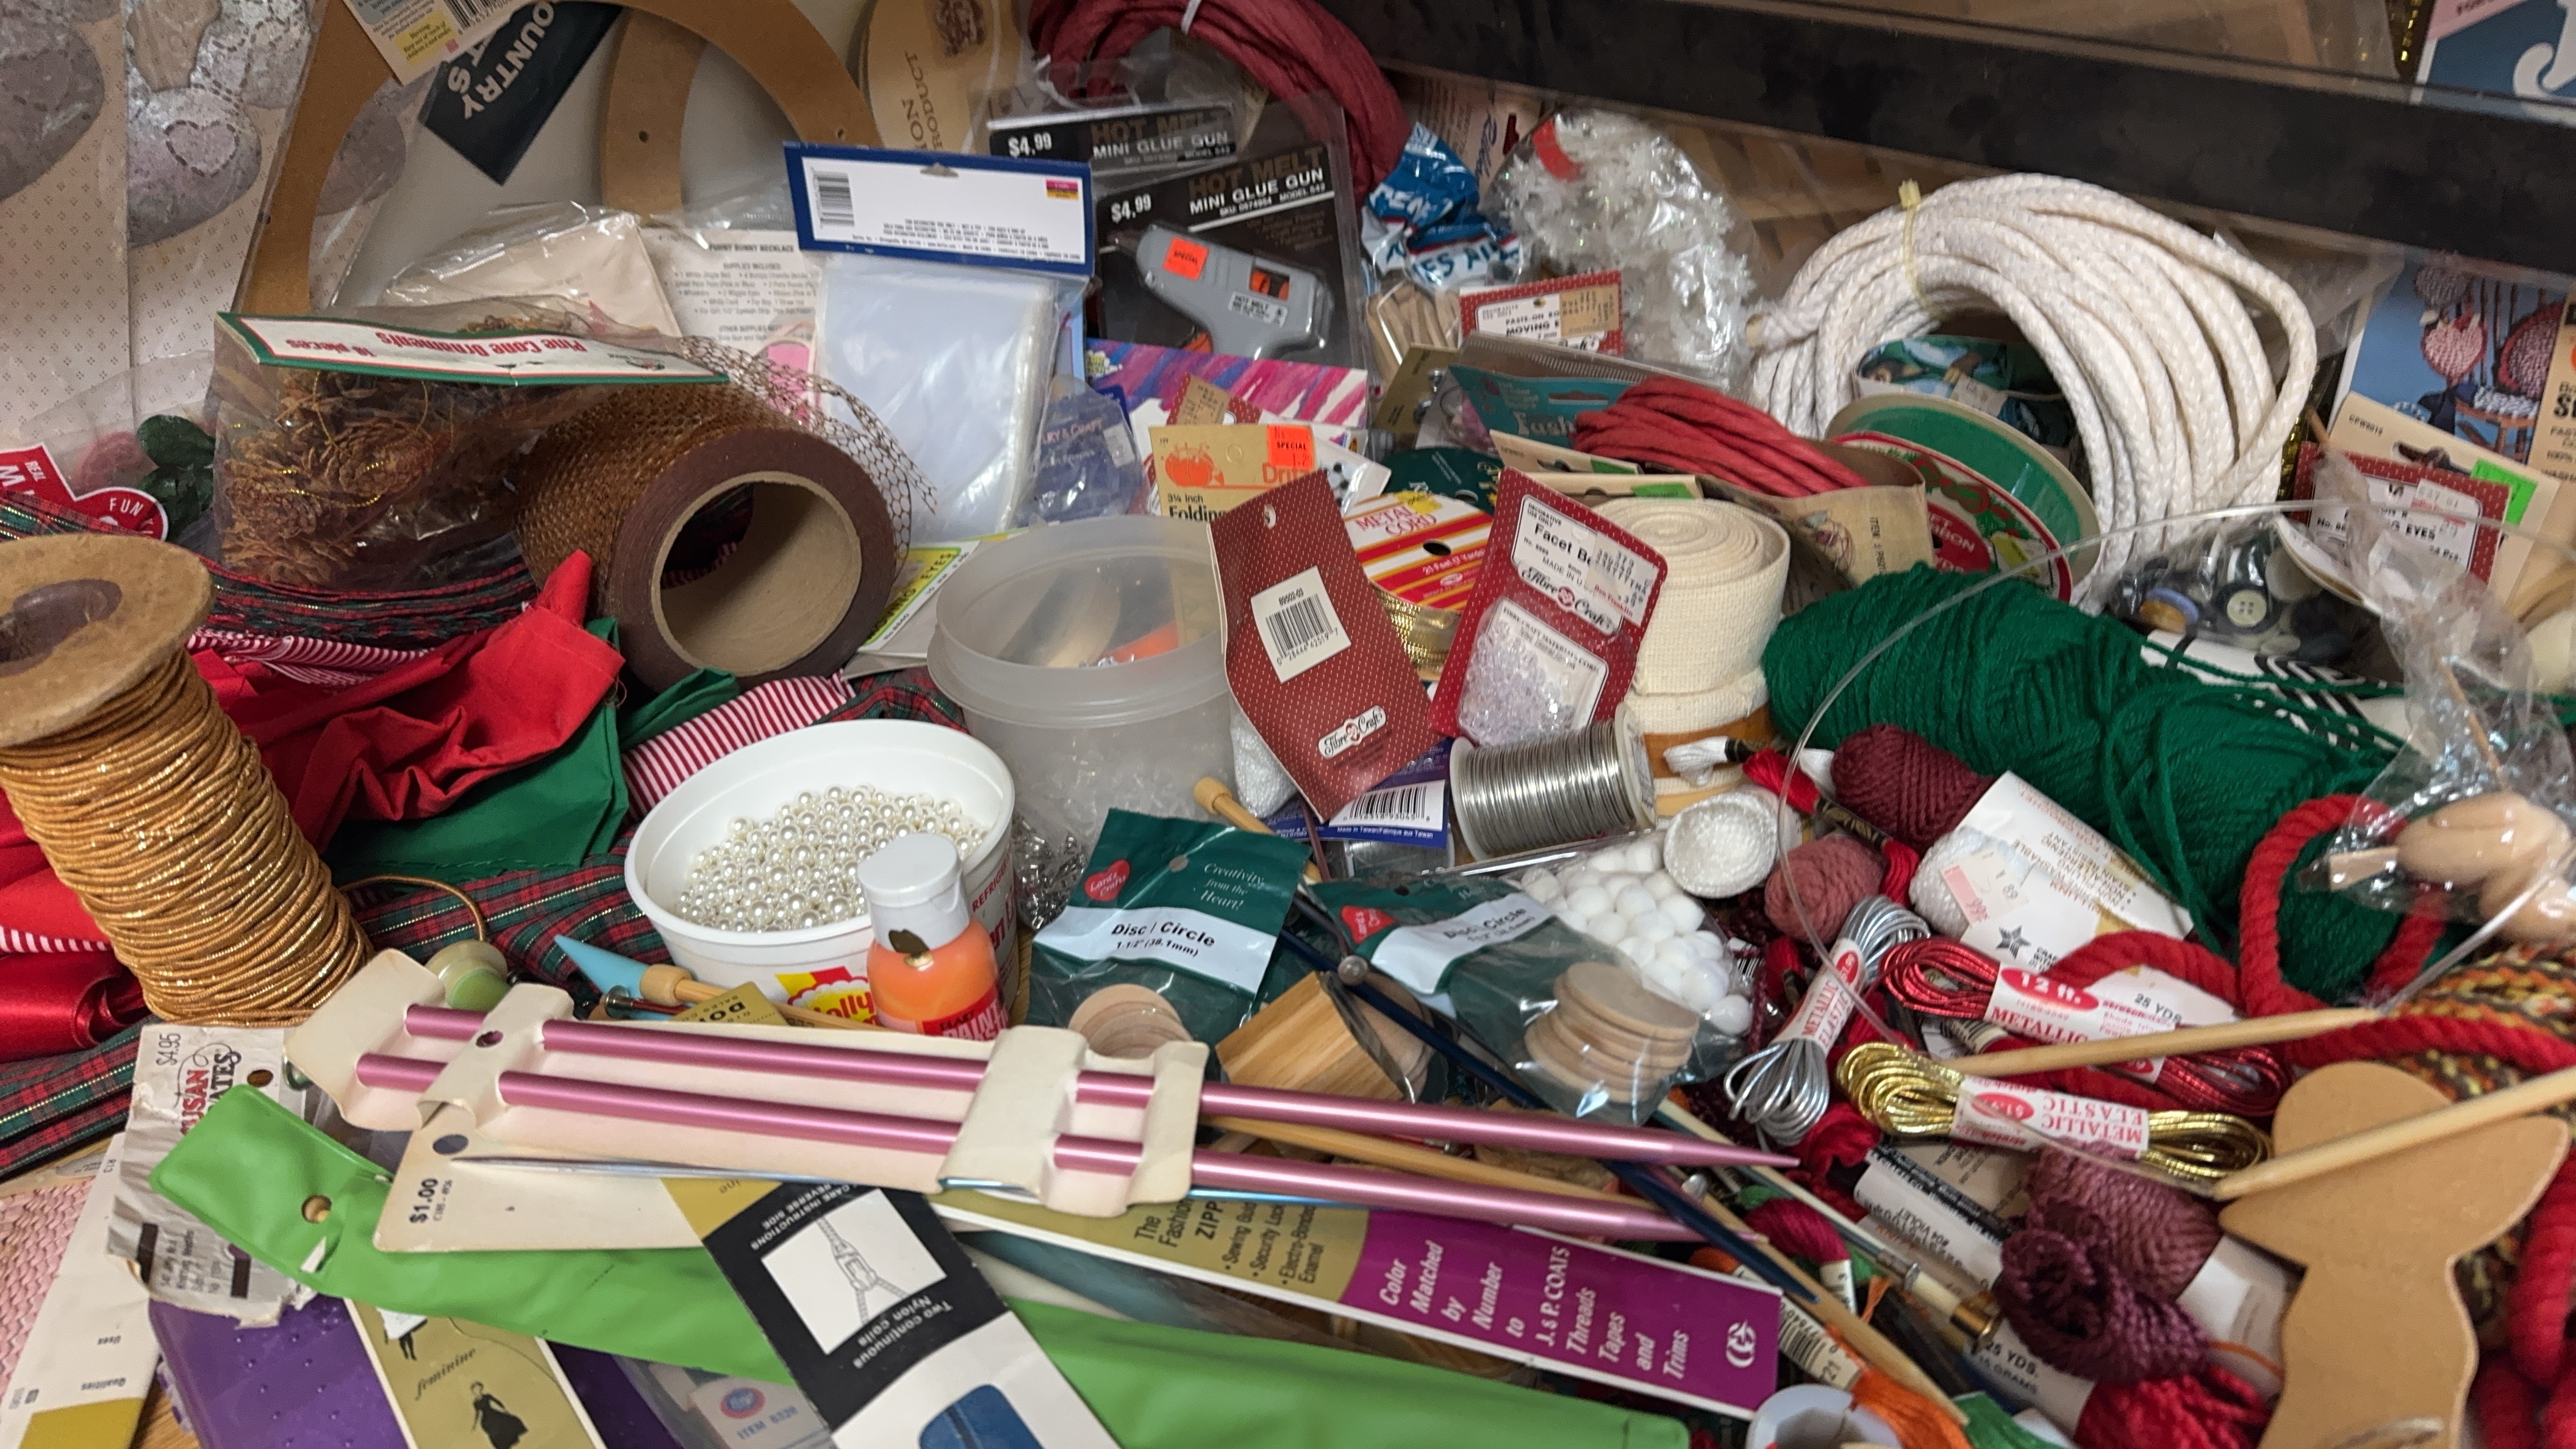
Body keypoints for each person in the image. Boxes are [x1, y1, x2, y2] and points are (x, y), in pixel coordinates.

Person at [470, 1381, 528, 1449]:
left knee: (504, 1424)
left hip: (494, 1414)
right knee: (494, 1433)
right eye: (475, 1390)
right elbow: (478, 1414)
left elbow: (496, 1403)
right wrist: (475, 1425)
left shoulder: (487, 1397)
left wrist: (505, 1410)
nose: (477, 1392)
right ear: (473, 1392)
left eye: (478, 1389)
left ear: (481, 1389)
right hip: (486, 1420)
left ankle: (510, 1441)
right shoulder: (475, 1403)